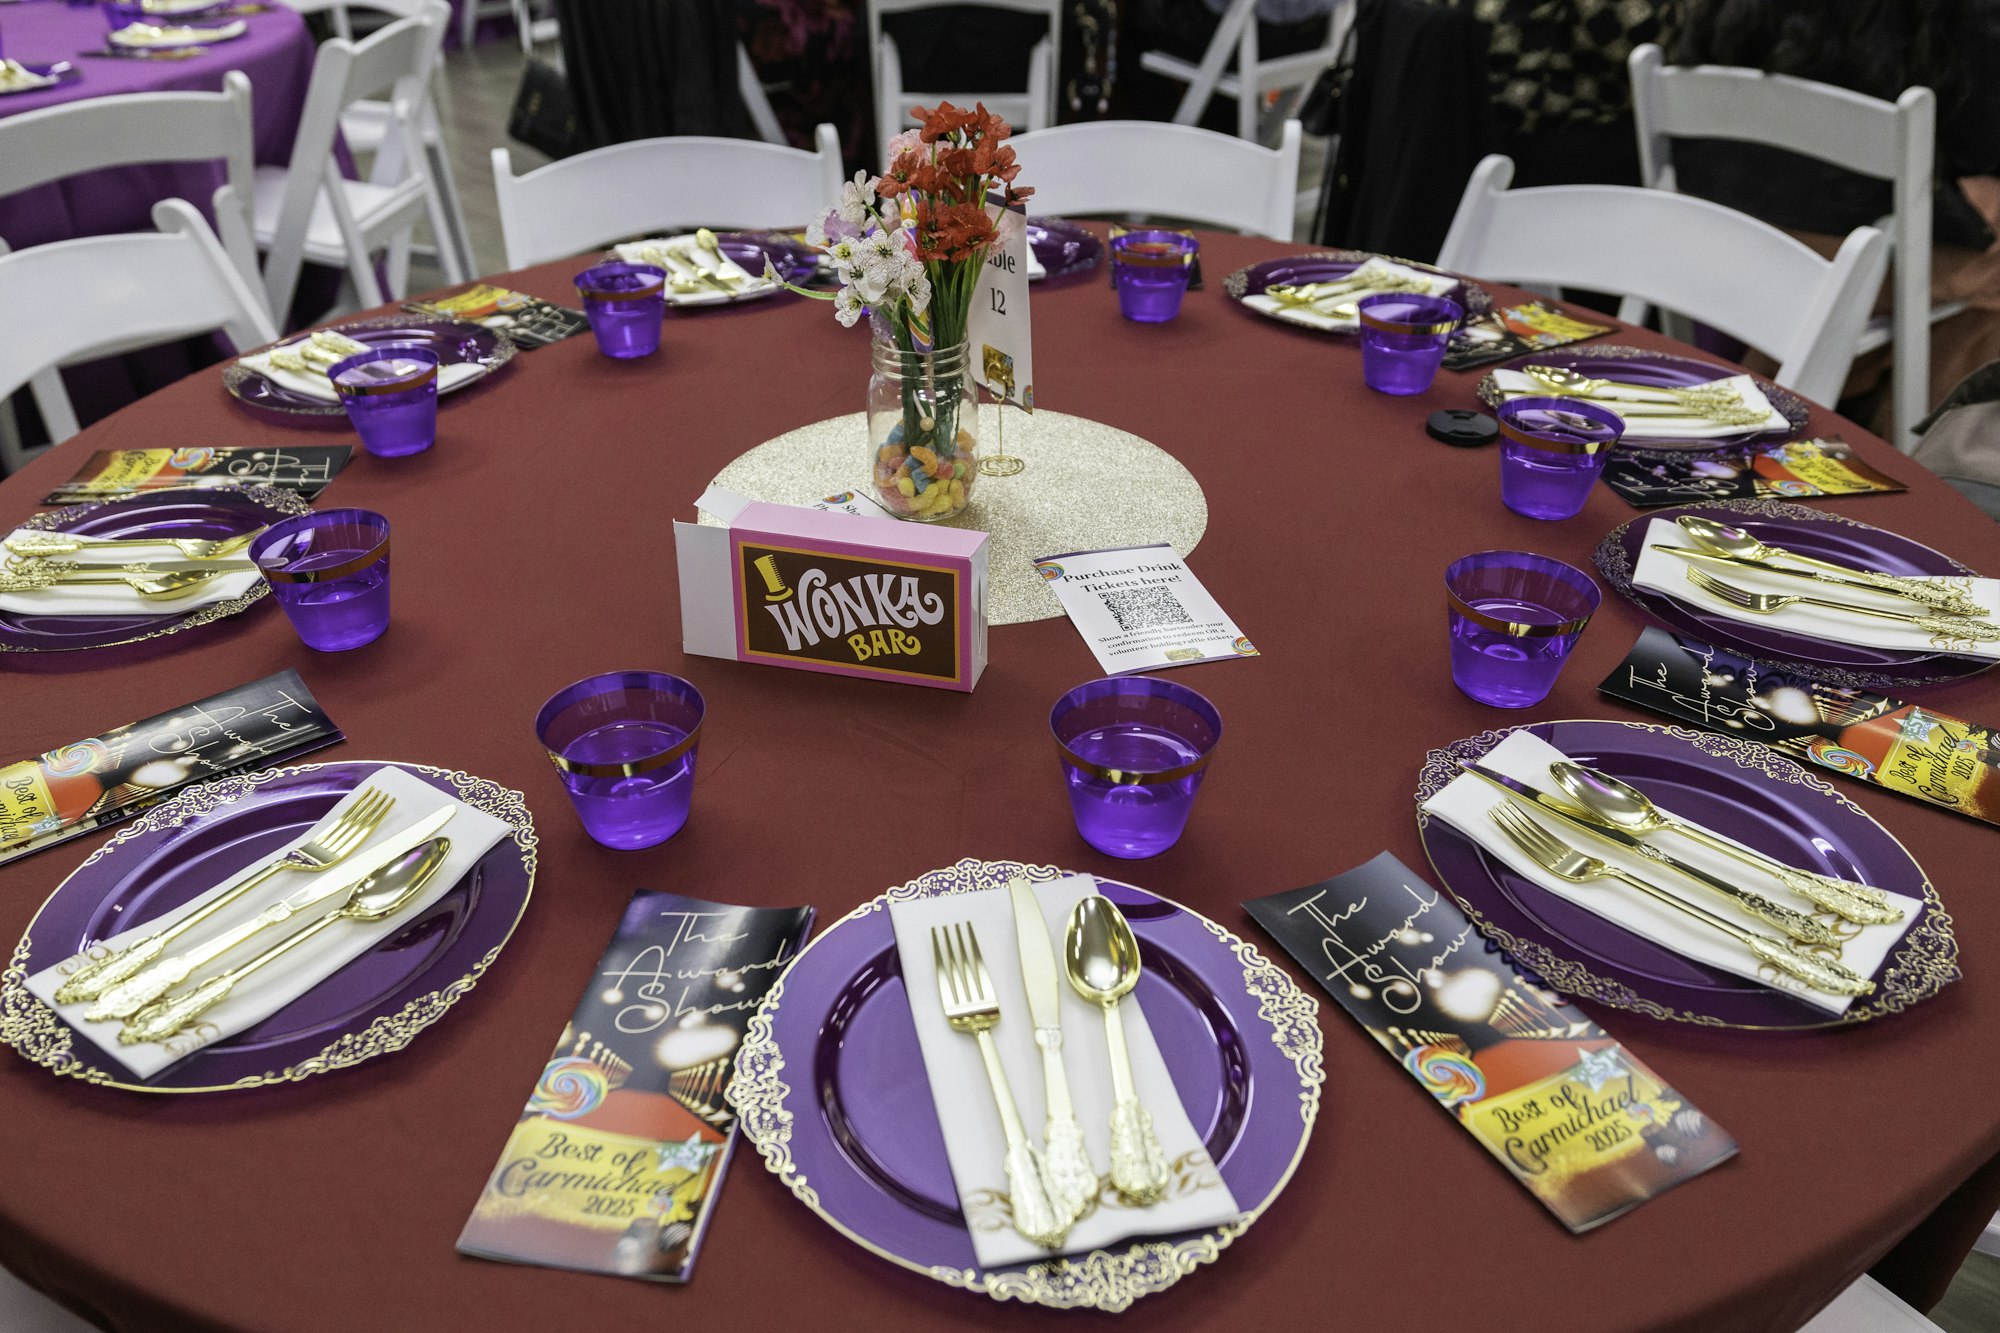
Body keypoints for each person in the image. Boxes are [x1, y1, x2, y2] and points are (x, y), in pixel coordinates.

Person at [1669, 0, 2000, 436]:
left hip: (1714, 237)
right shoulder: (1955, 19)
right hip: (1847, 249)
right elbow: (1979, 143)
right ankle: (1928, 462)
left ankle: (1793, 406)